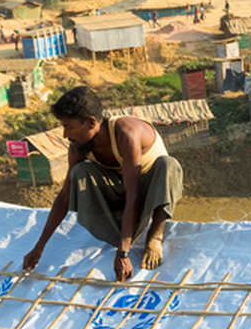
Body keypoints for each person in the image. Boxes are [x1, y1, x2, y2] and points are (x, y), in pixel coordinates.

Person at [22, 86, 183, 282]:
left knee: (169, 165)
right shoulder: (78, 147)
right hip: (120, 194)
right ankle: (119, 235)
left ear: (90, 122)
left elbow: (134, 195)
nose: (65, 135)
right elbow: (64, 196)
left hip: (148, 193)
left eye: (69, 127)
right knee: (80, 172)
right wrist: (39, 247)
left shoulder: (126, 134)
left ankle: (154, 236)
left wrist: (123, 253)